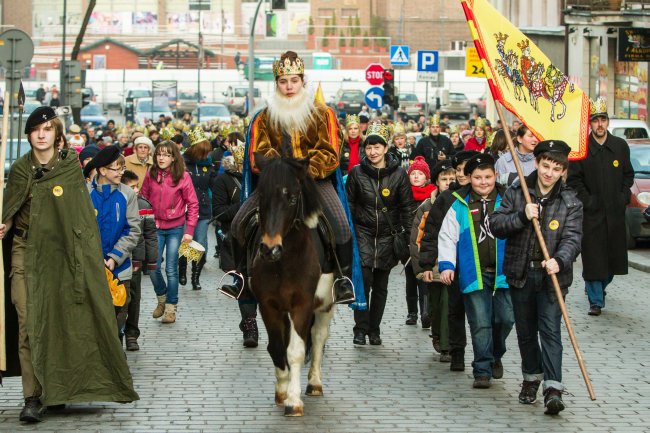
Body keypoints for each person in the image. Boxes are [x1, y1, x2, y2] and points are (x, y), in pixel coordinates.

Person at [0, 106, 138, 423]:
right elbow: (9, 207)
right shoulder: (21, 169)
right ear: (29, 134)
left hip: (61, 253)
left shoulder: (70, 171)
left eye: (48, 129)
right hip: (25, 249)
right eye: (36, 129)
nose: (41, 134)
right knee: (27, 321)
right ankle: (32, 397)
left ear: (57, 136)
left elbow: (79, 219)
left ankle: (56, 389)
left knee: (58, 320)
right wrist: (4, 223)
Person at [221, 51, 355, 305]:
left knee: (341, 224)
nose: (289, 86)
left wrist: (304, 172)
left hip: (315, 182)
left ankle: (342, 281)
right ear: (277, 84)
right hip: (276, 184)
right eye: (284, 81)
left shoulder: (322, 113)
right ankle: (240, 278)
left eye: (294, 80)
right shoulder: (265, 116)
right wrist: (282, 171)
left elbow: (330, 153)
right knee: (239, 222)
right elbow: (259, 153)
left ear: (302, 81)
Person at [491, 140, 582, 415]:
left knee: (551, 331)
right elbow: (496, 225)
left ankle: (553, 388)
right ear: (537, 163)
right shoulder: (517, 191)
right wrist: (521, 215)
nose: (549, 173)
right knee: (526, 332)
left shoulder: (570, 201)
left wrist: (560, 260)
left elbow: (573, 238)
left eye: (556, 168)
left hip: (552, 276)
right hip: (520, 273)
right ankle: (531, 377)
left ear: (563, 171)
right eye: (545, 165)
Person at [437, 153, 514, 389]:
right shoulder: (459, 203)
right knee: (480, 322)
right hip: (474, 271)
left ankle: (495, 354)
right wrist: (447, 265)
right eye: (478, 177)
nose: (483, 182)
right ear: (469, 178)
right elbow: (448, 236)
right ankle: (482, 369)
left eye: (488, 177)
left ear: (496, 176)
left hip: (505, 272)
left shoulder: (509, 200)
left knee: (505, 318)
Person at [346, 122, 414, 345]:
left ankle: (374, 329)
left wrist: (408, 239)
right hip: (363, 234)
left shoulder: (400, 175)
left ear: (386, 148)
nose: (373, 152)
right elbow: (350, 205)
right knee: (363, 283)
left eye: (377, 147)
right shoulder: (357, 173)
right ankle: (360, 328)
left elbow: (406, 208)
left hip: (388, 236)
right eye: (369, 147)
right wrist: (352, 234)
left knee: (381, 287)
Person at [567, 97, 634, 316]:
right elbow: (574, 180)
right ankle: (595, 300)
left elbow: (628, 175)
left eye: (603, 120)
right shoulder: (581, 149)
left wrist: (622, 197)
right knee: (593, 256)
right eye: (595, 120)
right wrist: (589, 201)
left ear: (607, 122)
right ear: (590, 123)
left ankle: (599, 287)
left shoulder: (620, 146)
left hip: (615, 213)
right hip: (591, 215)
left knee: (613, 260)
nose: (599, 124)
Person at [418, 150, 478, 371]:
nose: (461, 175)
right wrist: (426, 263)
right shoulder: (446, 198)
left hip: (478, 263)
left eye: (465, 170)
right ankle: (454, 350)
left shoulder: (486, 195)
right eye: (458, 170)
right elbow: (431, 231)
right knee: (451, 309)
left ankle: (489, 355)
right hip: (451, 263)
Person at [84, 145, 141, 342]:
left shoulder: (127, 194)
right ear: (102, 170)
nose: (121, 173)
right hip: (90, 265)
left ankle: (116, 347)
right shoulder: (84, 193)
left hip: (119, 265)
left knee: (120, 310)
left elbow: (133, 230)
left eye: (122, 168)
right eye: (116, 169)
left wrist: (115, 257)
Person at [140, 140, 199, 324]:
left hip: (175, 227)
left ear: (173, 158)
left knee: (171, 269)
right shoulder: (151, 174)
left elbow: (193, 204)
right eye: (159, 154)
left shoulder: (183, 176)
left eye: (166, 154)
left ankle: (171, 308)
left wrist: (189, 231)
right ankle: (162, 298)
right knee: (153, 267)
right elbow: (143, 198)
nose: (162, 158)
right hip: (154, 228)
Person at [411, 160, 456, 362]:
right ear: (436, 182)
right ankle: (438, 334)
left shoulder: (459, 202)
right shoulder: (427, 206)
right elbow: (417, 239)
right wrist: (421, 267)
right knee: (437, 305)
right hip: (434, 261)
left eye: (451, 179)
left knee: (450, 303)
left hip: (454, 262)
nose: (448, 182)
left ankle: (448, 345)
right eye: (444, 179)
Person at [214, 145, 258, 347]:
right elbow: (220, 213)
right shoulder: (224, 180)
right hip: (240, 229)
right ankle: (249, 323)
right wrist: (242, 202)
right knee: (246, 276)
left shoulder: (262, 171)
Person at [120, 170, 158, 351]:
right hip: (120, 259)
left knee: (134, 298)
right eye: (131, 186)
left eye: (137, 186)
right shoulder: (117, 203)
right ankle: (117, 332)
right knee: (121, 299)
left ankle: (132, 333)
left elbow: (150, 235)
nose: (136, 190)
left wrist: (151, 261)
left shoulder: (144, 205)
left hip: (136, 260)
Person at [181, 127, 218, 290]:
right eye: (202, 152)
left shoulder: (209, 166)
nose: (206, 155)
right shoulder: (182, 163)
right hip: (184, 209)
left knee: (200, 243)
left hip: (202, 210)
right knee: (185, 242)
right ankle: (182, 270)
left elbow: (215, 187)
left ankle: (195, 277)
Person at [404, 156, 436, 327]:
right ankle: (412, 312)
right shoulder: (405, 194)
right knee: (410, 280)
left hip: (425, 243)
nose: (416, 177)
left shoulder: (433, 194)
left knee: (424, 279)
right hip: (409, 243)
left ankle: (426, 312)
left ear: (426, 177)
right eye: (413, 173)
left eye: (420, 173)